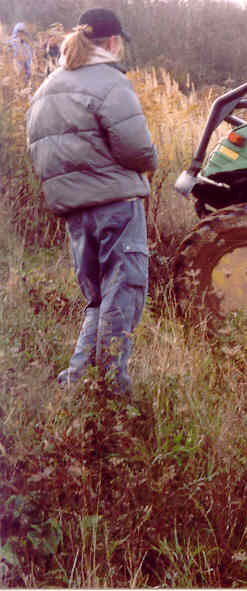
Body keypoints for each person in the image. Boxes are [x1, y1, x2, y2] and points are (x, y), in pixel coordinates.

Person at [26, 8, 157, 395]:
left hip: (75, 211)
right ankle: (111, 390)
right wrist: (150, 161)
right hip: (115, 203)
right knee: (124, 291)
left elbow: (40, 151)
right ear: (113, 42)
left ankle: (77, 385)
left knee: (98, 298)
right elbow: (139, 151)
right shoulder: (111, 82)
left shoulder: (47, 87)